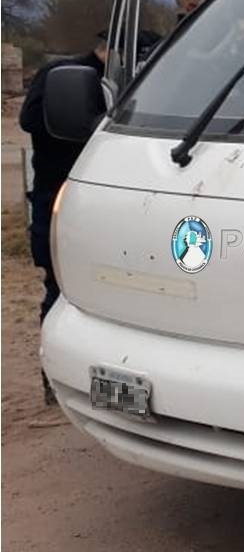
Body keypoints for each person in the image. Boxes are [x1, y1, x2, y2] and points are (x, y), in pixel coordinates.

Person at [18, 28, 152, 402]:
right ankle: (59, 382)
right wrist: (93, 128)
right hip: (64, 195)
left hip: (123, 207)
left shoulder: (134, 83)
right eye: (130, 54)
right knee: (66, 294)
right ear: (108, 48)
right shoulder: (68, 76)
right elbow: (30, 122)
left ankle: (124, 396)